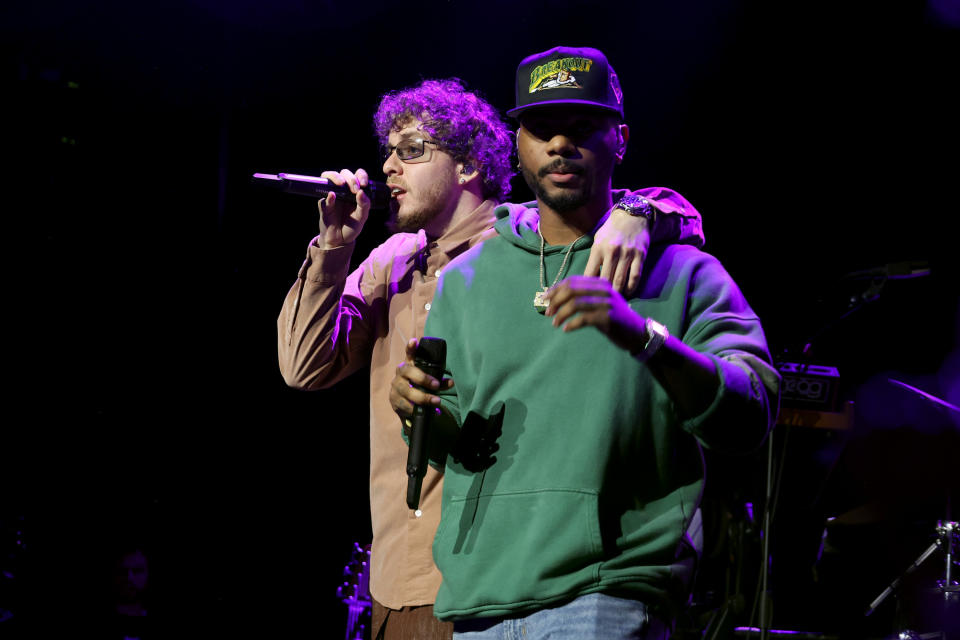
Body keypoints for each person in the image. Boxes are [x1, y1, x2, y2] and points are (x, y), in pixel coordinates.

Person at [277, 77, 705, 640]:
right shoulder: (393, 260)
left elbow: (676, 217)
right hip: (391, 585)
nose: (388, 168)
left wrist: (637, 209)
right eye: (388, 153)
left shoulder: (527, 245)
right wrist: (334, 247)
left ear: (469, 166)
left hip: (487, 583)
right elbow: (304, 365)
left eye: (411, 151)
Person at [389, 46, 780, 638]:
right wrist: (415, 409)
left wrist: (645, 338)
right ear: (517, 143)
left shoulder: (681, 271)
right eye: (541, 128)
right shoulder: (467, 280)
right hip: (479, 602)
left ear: (620, 138)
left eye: (582, 128)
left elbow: (750, 414)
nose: (559, 145)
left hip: (608, 595)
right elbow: (459, 443)